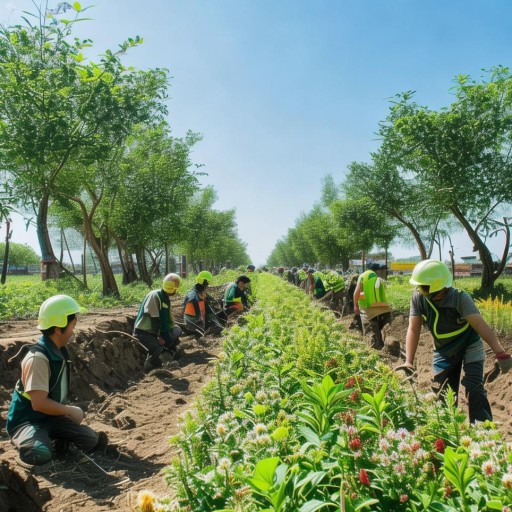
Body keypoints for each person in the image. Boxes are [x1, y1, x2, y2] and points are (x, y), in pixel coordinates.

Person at [397, 259, 512, 423]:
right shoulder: (418, 299)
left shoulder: (459, 298)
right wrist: (408, 361)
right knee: (442, 392)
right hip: (444, 350)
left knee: (474, 388)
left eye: (422, 286)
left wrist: (500, 353)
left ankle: (483, 430)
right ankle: (447, 431)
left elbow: (480, 325)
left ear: (436, 286)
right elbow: (413, 329)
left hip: (469, 345)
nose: (418, 289)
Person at [6, 295, 101, 465]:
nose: (74, 330)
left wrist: (65, 412)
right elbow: (39, 403)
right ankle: (31, 441)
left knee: (90, 440)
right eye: (73, 325)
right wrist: (70, 411)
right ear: (58, 328)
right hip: (28, 421)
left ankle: (52, 440)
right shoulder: (38, 358)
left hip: (50, 418)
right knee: (38, 453)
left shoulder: (58, 351)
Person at [133, 273, 183, 374]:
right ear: (174, 289)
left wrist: (169, 334)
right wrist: (160, 336)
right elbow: (155, 319)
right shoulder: (155, 296)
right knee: (157, 347)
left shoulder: (164, 297)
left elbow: (165, 320)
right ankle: (149, 368)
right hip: (143, 331)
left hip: (155, 330)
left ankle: (168, 355)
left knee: (176, 332)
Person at [353, 263, 391, 349]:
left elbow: (357, 291)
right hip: (384, 308)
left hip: (369, 308)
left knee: (370, 329)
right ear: (377, 270)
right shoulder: (379, 278)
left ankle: (373, 349)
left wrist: (355, 305)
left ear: (368, 269)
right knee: (384, 328)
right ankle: (388, 344)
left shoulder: (363, 276)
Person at [182, 270, 224, 336]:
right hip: (193, 320)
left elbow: (205, 296)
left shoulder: (199, 289)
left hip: (196, 319)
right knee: (204, 324)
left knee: (209, 310)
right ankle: (215, 326)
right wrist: (199, 314)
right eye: (207, 283)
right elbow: (193, 300)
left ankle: (217, 324)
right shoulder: (193, 294)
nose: (205, 295)